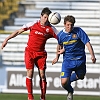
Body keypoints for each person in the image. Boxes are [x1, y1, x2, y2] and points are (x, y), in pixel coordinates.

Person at [1, 7, 58, 100]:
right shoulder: (33, 24)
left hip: (41, 53)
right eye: (45, 17)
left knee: (42, 74)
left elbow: (61, 39)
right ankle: (30, 96)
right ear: (41, 16)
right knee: (30, 72)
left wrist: (58, 55)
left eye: (48, 18)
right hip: (30, 52)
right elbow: (18, 31)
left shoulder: (51, 29)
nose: (46, 20)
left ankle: (43, 97)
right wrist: (6, 39)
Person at [52, 15, 96, 100]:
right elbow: (59, 45)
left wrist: (92, 56)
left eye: (71, 25)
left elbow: (87, 43)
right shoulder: (61, 35)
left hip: (80, 60)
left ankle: (71, 79)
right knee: (64, 82)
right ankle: (70, 91)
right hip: (67, 61)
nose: (70, 27)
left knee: (81, 76)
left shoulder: (79, 31)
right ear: (64, 24)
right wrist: (57, 57)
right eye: (68, 25)